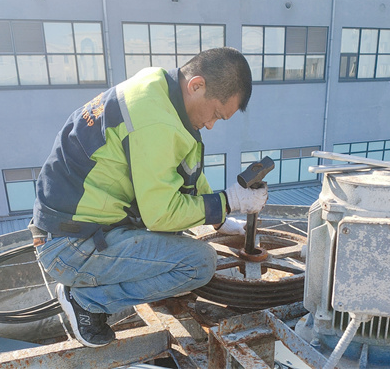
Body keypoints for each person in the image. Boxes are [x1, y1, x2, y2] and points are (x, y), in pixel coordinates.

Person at [28, 47, 268, 348]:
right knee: (199, 264)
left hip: (75, 229)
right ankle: (87, 301)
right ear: (196, 86)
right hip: (70, 248)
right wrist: (229, 201)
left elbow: (184, 172)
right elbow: (161, 215)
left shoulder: (157, 89)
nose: (210, 125)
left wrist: (220, 218)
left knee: (180, 241)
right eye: (216, 115)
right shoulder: (155, 121)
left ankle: (91, 291)